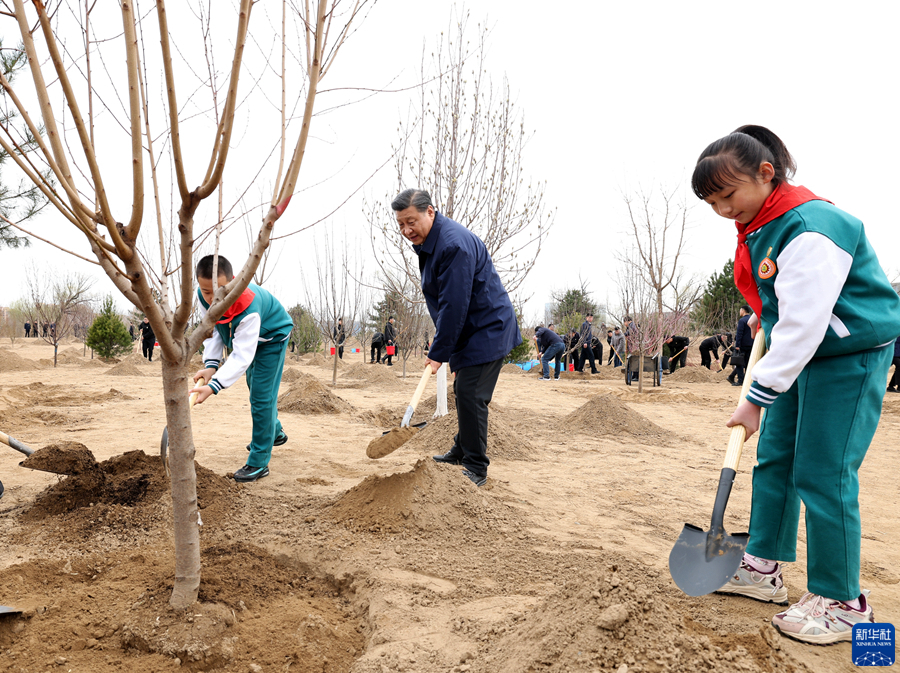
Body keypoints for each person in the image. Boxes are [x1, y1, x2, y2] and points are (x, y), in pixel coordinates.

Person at [692, 124, 900, 644]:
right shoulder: (764, 219)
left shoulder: (809, 225)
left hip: (847, 354)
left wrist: (755, 398)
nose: (723, 210)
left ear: (766, 173)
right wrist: (768, 314)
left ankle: (844, 601)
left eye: (728, 195)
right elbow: (789, 302)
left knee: (823, 470)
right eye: (712, 202)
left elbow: (808, 322)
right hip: (803, 352)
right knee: (778, 458)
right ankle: (764, 566)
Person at [392, 188, 520, 487]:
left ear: (430, 212)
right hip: (472, 329)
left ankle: (476, 467)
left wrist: (438, 352)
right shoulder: (434, 243)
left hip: (487, 327)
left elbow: (454, 304)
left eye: (411, 221)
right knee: (464, 389)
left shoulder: (452, 246)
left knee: (471, 394)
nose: (406, 230)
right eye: (401, 225)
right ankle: (461, 450)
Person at [189, 255, 293, 483]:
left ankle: (259, 461)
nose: (212, 297)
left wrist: (214, 386)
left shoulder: (249, 307)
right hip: (247, 340)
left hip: (271, 337)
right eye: (206, 291)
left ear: (232, 281)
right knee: (254, 386)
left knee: (261, 396)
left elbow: (241, 356)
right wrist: (210, 365)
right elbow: (213, 330)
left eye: (218, 290)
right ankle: (273, 431)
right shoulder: (203, 297)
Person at [728, 306, 754, 386]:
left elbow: (739, 334)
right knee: (748, 363)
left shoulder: (742, 320)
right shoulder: (752, 319)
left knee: (739, 363)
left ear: (743, 310)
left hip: (742, 345)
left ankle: (740, 381)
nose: (740, 312)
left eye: (740, 310)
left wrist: (737, 345)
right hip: (751, 344)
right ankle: (748, 380)